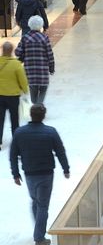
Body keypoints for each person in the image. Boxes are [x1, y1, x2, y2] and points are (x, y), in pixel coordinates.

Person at [10, 104, 70, 245]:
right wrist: (65, 169)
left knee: (36, 201)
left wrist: (15, 174)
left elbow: (13, 155)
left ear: (31, 115)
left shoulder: (19, 132)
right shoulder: (50, 132)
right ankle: (39, 238)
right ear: (43, 116)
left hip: (29, 174)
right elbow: (60, 151)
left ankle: (38, 230)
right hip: (46, 174)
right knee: (42, 205)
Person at [14, 16, 54, 105]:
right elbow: (50, 54)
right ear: (41, 26)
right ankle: (38, 106)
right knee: (43, 88)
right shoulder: (44, 38)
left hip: (30, 69)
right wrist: (51, 68)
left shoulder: (25, 38)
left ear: (29, 25)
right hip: (42, 69)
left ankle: (35, 105)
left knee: (33, 88)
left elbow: (18, 52)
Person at [0, 41, 28, 150]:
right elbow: (23, 80)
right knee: (15, 119)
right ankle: (16, 141)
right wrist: (25, 91)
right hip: (13, 96)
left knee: (0, 119)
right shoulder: (16, 64)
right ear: (12, 51)